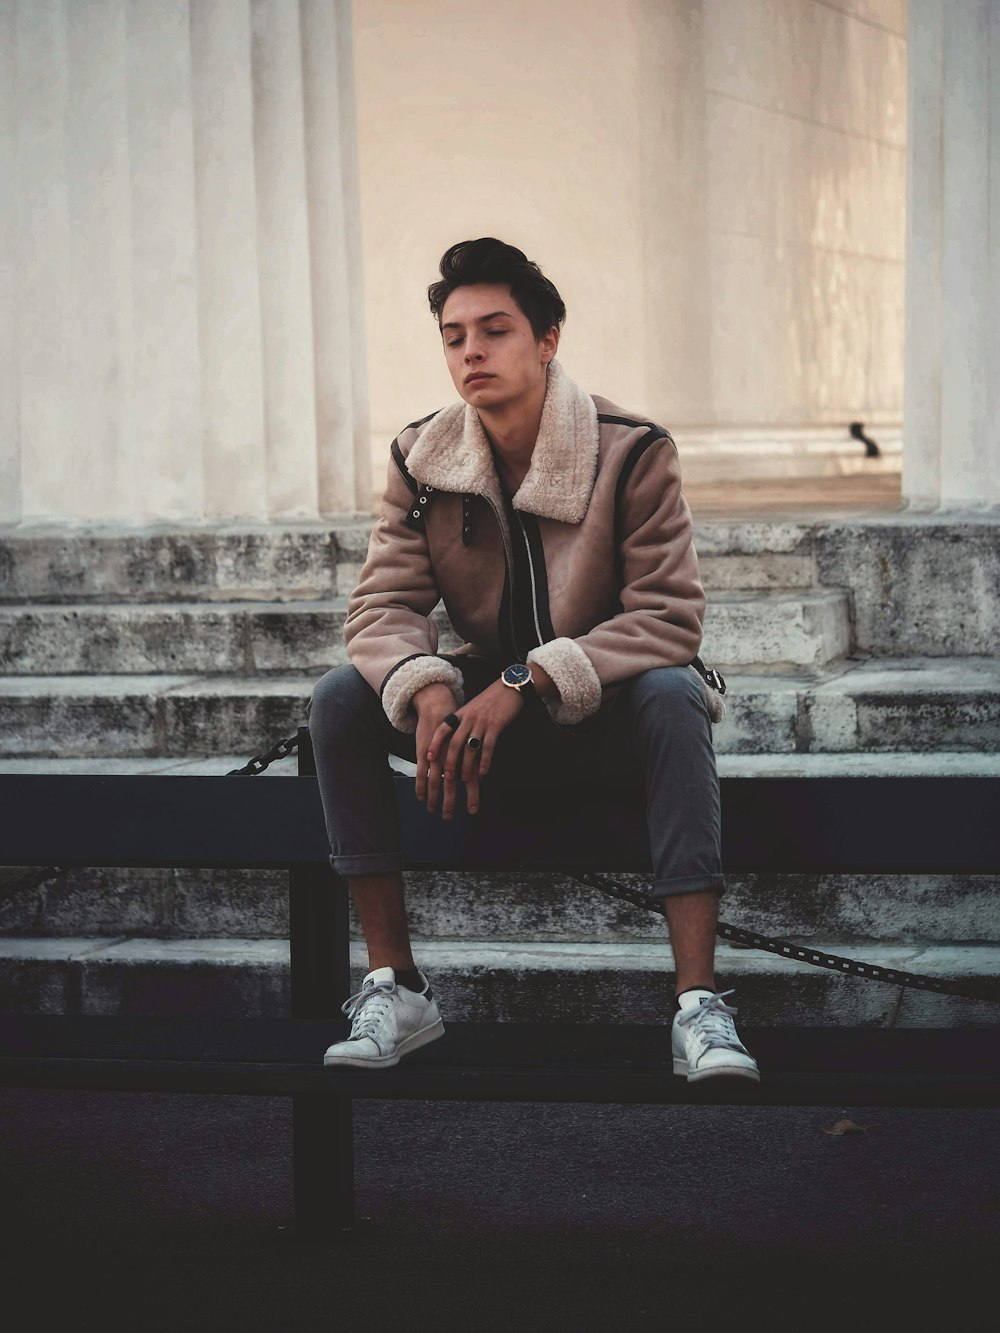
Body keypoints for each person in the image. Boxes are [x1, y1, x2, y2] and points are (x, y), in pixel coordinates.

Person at [309, 237, 759, 1084]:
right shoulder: (422, 458)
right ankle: (396, 985)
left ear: (547, 338)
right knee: (340, 699)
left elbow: (668, 618)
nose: (471, 350)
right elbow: (382, 607)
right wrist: (426, 686)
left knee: (672, 692)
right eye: (453, 335)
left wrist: (528, 678)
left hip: (606, 718)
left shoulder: (633, 450)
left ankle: (698, 1003)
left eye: (495, 328)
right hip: (483, 731)